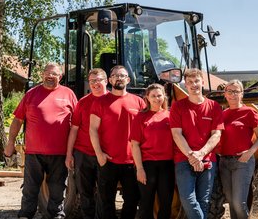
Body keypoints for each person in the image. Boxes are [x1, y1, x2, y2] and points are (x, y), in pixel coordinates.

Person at [4, 64, 78, 219]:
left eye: (54, 74)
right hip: (34, 152)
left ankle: (57, 215)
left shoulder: (69, 94)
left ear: (60, 77)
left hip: (60, 153)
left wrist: (73, 151)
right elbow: (17, 120)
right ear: (42, 74)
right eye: (47, 73)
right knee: (30, 189)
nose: (50, 76)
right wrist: (10, 142)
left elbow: (76, 125)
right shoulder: (31, 94)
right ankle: (26, 215)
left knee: (58, 189)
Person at [90, 65, 145, 219]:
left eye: (122, 75)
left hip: (131, 161)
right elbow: (93, 129)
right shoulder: (100, 102)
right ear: (110, 80)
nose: (119, 78)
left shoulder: (139, 102)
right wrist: (99, 154)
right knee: (106, 201)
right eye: (115, 75)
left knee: (132, 201)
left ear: (128, 79)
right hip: (108, 160)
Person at [170, 68, 224, 219]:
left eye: (196, 81)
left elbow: (216, 135)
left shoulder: (214, 106)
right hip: (183, 159)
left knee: (203, 201)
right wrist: (192, 156)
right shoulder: (178, 106)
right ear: (185, 85)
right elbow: (176, 134)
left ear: (202, 82)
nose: (194, 85)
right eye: (190, 82)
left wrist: (200, 154)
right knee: (188, 199)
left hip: (207, 160)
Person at [65, 68, 108, 219]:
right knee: (85, 192)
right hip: (84, 154)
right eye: (92, 81)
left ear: (106, 81)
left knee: (105, 193)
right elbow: (74, 129)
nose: (95, 84)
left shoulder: (113, 100)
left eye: (99, 80)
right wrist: (69, 154)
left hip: (106, 154)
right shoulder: (83, 103)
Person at [219, 79, 258, 219]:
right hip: (224, 162)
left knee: (239, 202)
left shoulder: (249, 112)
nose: (233, 94)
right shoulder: (222, 114)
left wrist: (250, 153)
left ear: (242, 94)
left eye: (236, 91)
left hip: (242, 162)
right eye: (229, 91)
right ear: (225, 94)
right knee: (231, 202)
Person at [130, 83, 175, 219]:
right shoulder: (140, 117)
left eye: (159, 95)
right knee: (146, 202)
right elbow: (135, 145)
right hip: (147, 164)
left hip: (167, 164)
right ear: (147, 98)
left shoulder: (170, 116)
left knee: (166, 202)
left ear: (164, 97)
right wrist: (140, 169)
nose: (157, 98)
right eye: (153, 96)